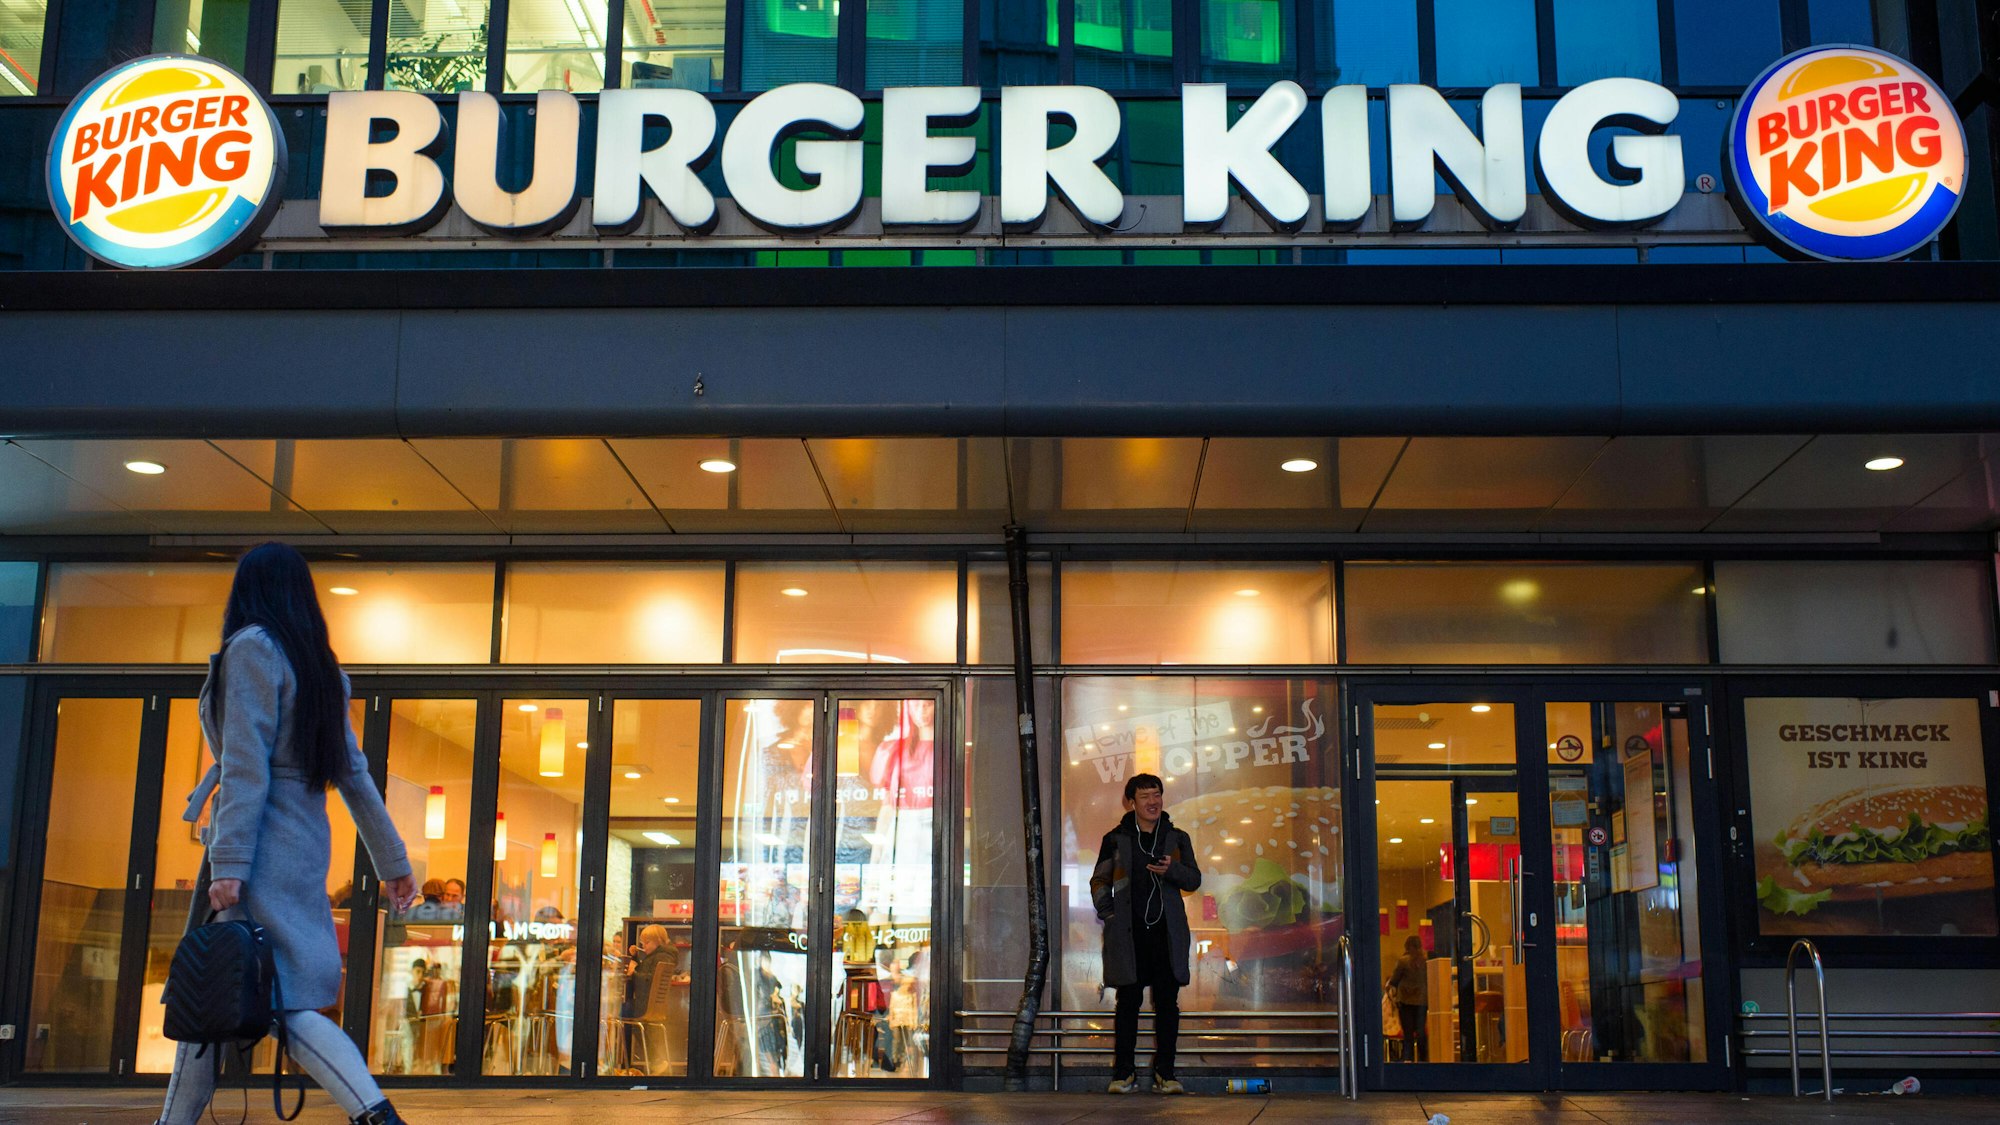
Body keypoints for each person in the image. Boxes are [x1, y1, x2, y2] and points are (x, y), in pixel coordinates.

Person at [156, 543, 420, 1125]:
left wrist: (228, 864)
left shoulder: (252, 649)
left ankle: (376, 1114)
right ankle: (374, 1116)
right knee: (231, 995)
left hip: (258, 845)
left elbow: (246, 766)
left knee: (254, 996)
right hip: (301, 841)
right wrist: (393, 861)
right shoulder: (321, 667)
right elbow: (353, 773)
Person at [1090, 773, 1201, 1095]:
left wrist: (1172, 870)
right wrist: (1108, 913)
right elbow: (1099, 880)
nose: (1153, 802)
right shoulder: (1116, 838)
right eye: (1145, 797)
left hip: (1166, 934)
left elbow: (1193, 879)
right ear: (1131, 802)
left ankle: (1165, 1074)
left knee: (1168, 1004)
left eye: (1157, 795)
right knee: (1128, 1003)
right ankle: (1123, 1073)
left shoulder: (1176, 838)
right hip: (1129, 935)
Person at [1387, 934, 1429, 1063]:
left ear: (1407, 946)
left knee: (1408, 1033)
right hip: (1422, 1001)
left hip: (1405, 1002)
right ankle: (1424, 1059)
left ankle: (1407, 1058)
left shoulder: (1403, 961)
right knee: (1421, 1032)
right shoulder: (1426, 962)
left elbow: (1394, 981)